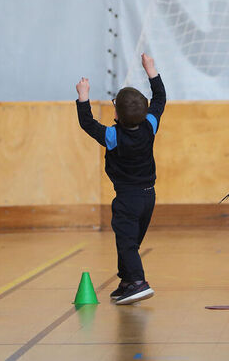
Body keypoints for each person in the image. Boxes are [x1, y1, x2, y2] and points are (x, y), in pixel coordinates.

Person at [76, 53, 165, 305]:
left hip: (127, 199)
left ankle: (138, 282)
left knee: (127, 243)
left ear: (116, 115)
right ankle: (127, 281)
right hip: (149, 196)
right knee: (130, 242)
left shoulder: (113, 136)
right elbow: (161, 98)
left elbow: (87, 123)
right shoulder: (150, 125)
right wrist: (151, 70)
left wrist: (83, 96)